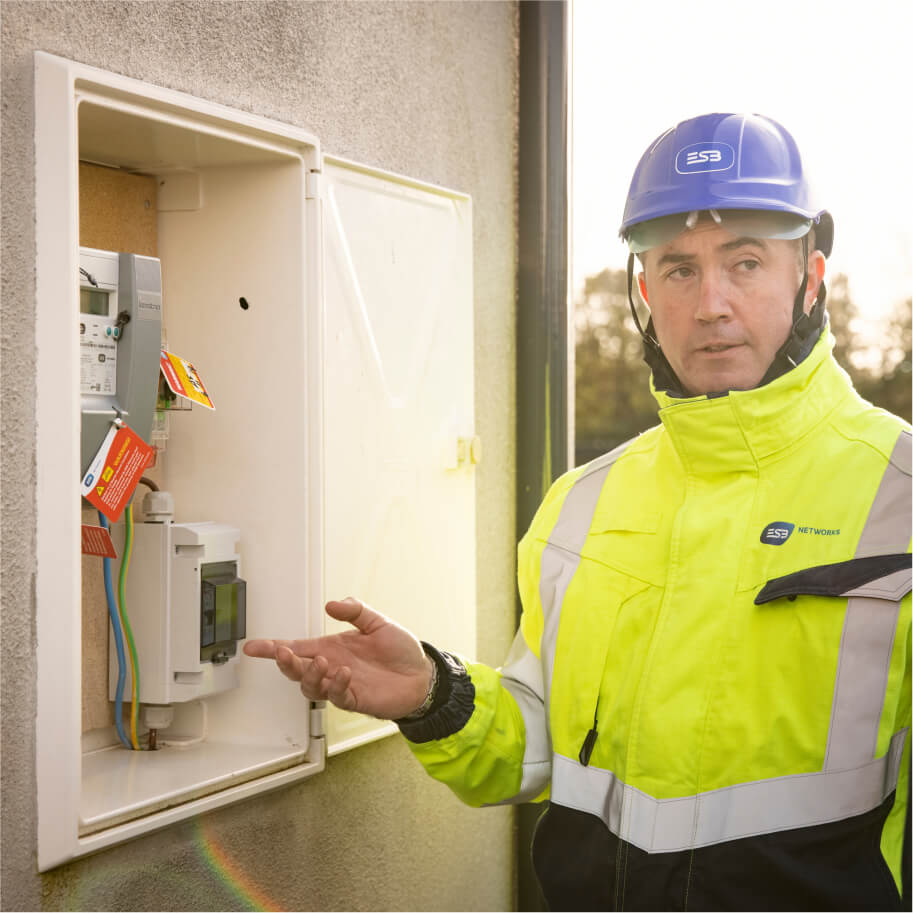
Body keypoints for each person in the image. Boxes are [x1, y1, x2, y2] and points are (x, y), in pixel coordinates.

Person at [245, 113, 911, 910]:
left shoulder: (900, 496)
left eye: (744, 262)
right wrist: (433, 693)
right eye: (676, 269)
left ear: (811, 278)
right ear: (642, 290)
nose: (709, 304)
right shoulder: (580, 503)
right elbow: (535, 750)